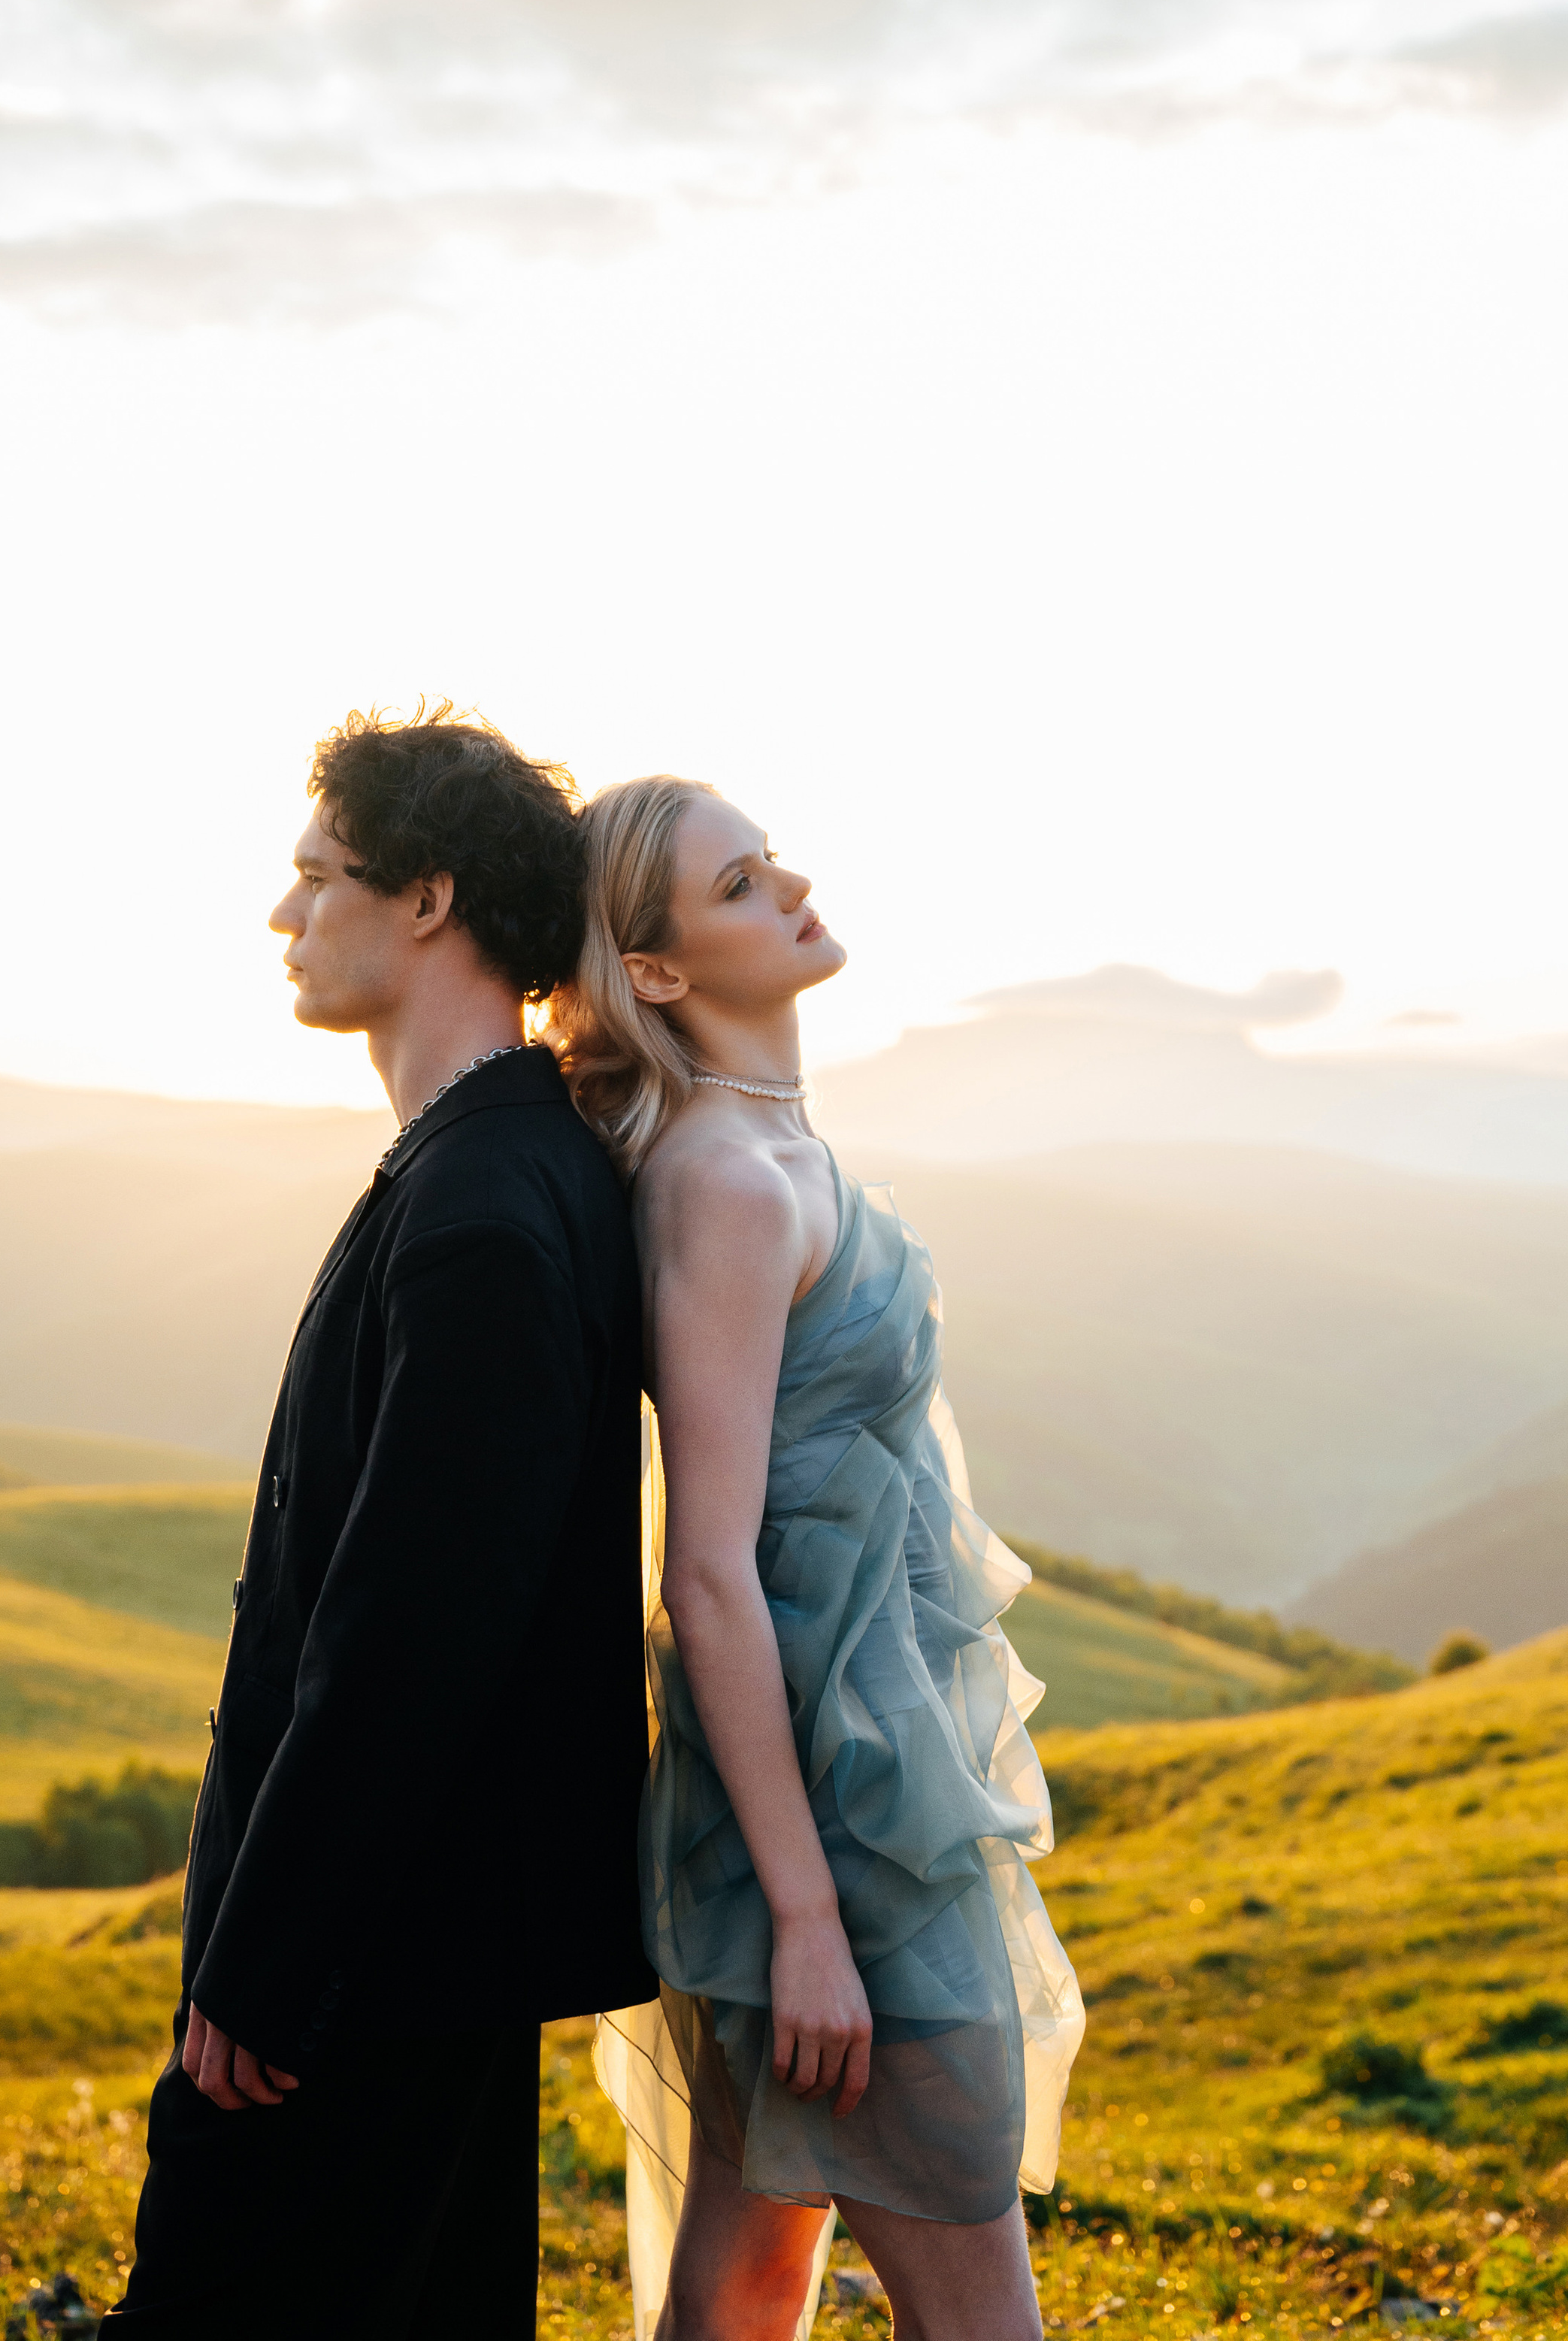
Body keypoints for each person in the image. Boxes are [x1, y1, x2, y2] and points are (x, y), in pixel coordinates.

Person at [104, 707, 655, 2340]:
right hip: (428, 1939)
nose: (283, 911)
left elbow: (414, 1635)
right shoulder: (501, 1160)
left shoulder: (483, 1208)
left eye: (317, 874)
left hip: (369, 1962)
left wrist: (270, 1963)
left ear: (427, 898)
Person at [552, 780, 1083, 2341]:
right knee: (975, 2313)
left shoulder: (772, 1145)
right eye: (738, 882)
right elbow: (706, 1575)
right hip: (838, 1824)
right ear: (655, 970)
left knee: (746, 2284)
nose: (790, 884)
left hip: (852, 1779)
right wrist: (804, 1918)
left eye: (769, 857)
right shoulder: (726, 1182)